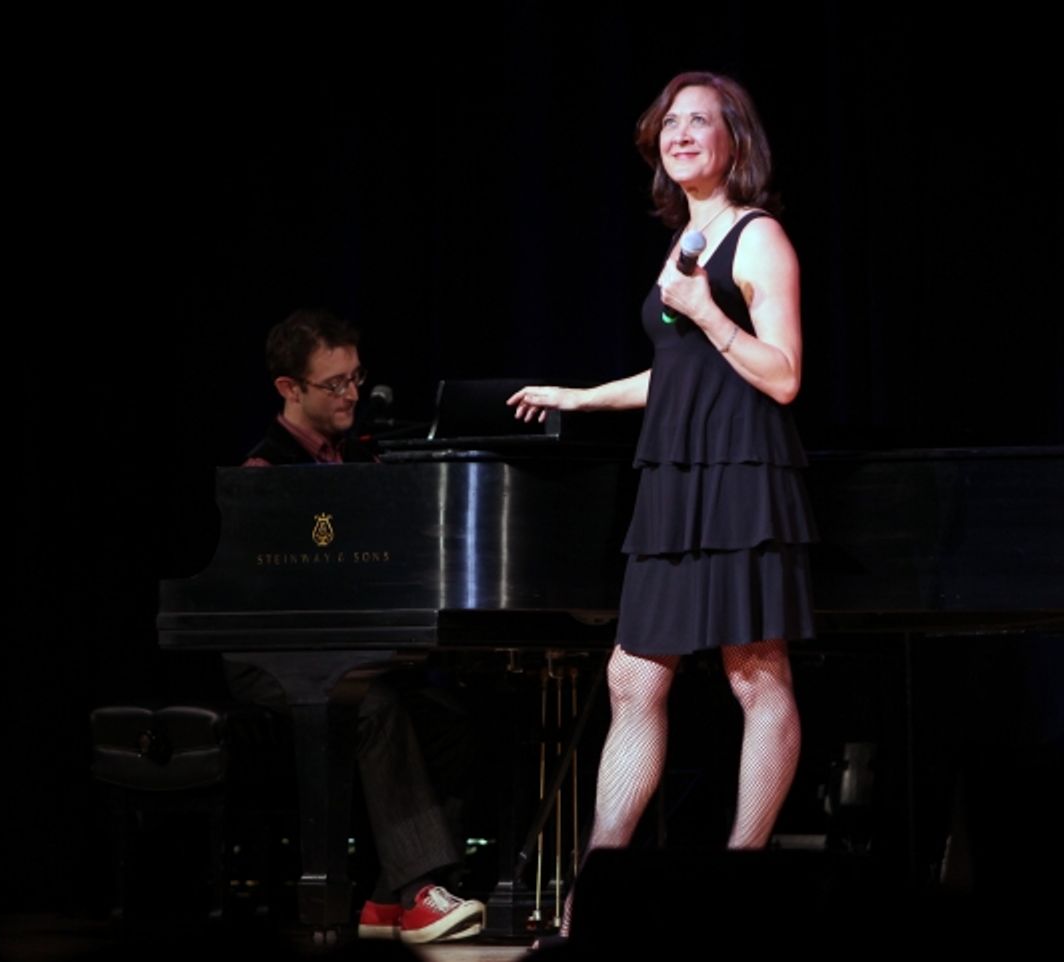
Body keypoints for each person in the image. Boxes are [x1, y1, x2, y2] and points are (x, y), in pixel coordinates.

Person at [508, 71, 816, 943]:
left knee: (756, 672)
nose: (680, 134)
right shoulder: (684, 241)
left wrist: (705, 314)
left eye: (700, 121)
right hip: (677, 475)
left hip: (742, 473)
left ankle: (740, 875)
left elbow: (782, 375)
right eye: (669, 123)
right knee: (633, 674)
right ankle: (602, 883)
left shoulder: (758, 239)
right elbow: (679, 374)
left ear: (734, 141)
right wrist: (579, 395)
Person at [223, 309, 486, 944]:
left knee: (453, 721)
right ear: (290, 389)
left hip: (348, 655)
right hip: (273, 662)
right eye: (334, 384)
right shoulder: (265, 476)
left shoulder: (362, 457)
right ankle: (421, 890)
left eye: (356, 378)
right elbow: (272, 606)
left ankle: (385, 902)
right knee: (375, 705)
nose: (352, 394)